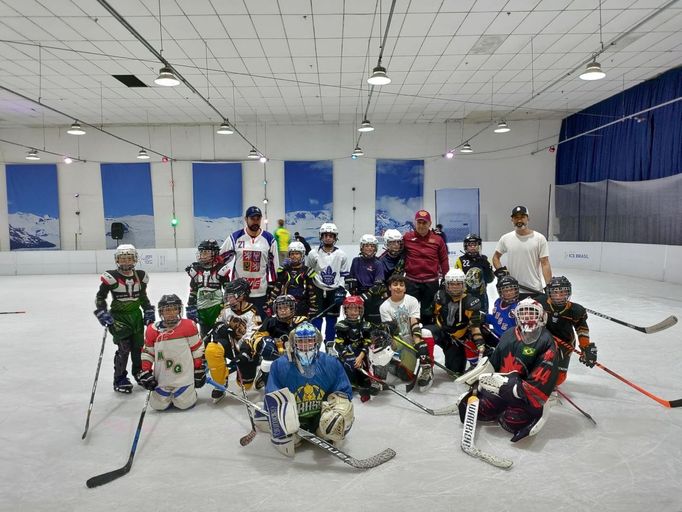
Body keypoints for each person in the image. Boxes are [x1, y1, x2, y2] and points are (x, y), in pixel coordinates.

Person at [457, 298, 568, 442]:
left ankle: (510, 409)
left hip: (523, 396)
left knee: (512, 421)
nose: (527, 317)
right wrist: (479, 379)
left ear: (542, 316)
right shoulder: (509, 333)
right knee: (482, 410)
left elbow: (543, 379)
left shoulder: (547, 342)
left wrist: (514, 387)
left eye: (532, 313)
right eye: (523, 313)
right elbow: (495, 361)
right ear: (516, 316)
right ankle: (498, 405)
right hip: (500, 389)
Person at [257, 322, 354, 456]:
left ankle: (323, 430)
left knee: (341, 410)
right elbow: (273, 398)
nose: (305, 345)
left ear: (317, 342)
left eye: (309, 340)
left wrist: (338, 412)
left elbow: (344, 393)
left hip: (320, 418)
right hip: (295, 420)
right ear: (293, 343)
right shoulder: (280, 365)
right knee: (289, 434)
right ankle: (270, 421)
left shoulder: (331, 363)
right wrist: (280, 418)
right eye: (301, 341)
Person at [94, 244, 155, 394]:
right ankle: (120, 378)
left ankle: (139, 372)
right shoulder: (112, 277)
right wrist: (102, 312)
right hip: (118, 318)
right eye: (122, 259)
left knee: (138, 347)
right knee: (124, 348)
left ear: (135, 259)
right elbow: (100, 297)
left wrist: (148, 309)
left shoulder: (140, 276)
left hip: (136, 316)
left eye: (129, 258)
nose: (126, 262)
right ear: (117, 260)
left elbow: (142, 296)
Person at [136, 294, 205, 411]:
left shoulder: (188, 325)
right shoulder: (151, 330)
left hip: (184, 377)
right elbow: (148, 353)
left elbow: (197, 349)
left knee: (184, 404)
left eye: (174, 309)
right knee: (158, 405)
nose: (171, 312)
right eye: (167, 309)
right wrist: (146, 372)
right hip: (162, 379)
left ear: (179, 310)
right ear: (161, 312)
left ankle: (189, 391)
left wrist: (198, 369)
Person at [205, 278, 261, 401]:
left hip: (247, 352)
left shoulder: (253, 312)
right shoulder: (226, 309)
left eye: (232, 296)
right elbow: (217, 323)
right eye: (228, 296)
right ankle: (220, 384)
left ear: (242, 296)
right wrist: (221, 328)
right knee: (212, 349)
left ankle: (261, 371)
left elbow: (254, 335)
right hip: (230, 345)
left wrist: (245, 352)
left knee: (245, 385)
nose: (229, 299)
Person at [219, 206, 279, 318]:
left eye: (258, 218)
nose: (255, 221)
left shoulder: (269, 239)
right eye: (252, 218)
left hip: (261, 292)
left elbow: (274, 265)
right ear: (246, 219)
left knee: (260, 326)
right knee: (239, 327)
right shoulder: (235, 237)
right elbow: (220, 258)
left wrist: (273, 286)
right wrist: (224, 277)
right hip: (239, 293)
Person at [425, 268, 484, 375]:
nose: (455, 287)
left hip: (456, 339)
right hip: (441, 331)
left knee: (455, 372)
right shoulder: (440, 296)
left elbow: (475, 327)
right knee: (425, 333)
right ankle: (426, 367)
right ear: (446, 285)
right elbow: (430, 315)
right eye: (452, 284)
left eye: (458, 284)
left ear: (464, 285)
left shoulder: (471, 302)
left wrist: (480, 343)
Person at [379, 274, 434, 390]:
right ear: (389, 287)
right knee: (380, 345)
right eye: (395, 285)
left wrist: (418, 343)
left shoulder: (412, 300)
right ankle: (384, 372)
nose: (398, 287)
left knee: (407, 376)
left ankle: (427, 369)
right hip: (398, 339)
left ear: (405, 288)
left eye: (401, 285)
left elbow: (414, 322)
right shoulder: (384, 307)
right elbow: (391, 331)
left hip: (411, 337)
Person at [536, 276, 598, 370]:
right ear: (549, 293)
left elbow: (582, 329)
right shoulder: (540, 302)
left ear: (568, 292)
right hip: (542, 340)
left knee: (558, 379)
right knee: (535, 370)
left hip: (565, 343)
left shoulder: (576, 310)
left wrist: (586, 347)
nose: (559, 296)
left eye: (562, 292)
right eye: (555, 292)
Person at [248, 295, 308, 390]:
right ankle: (265, 374)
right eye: (280, 308)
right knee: (267, 361)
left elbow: (314, 338)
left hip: (297, 356)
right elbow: (254, 337)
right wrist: (262, 343)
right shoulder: (270, 322)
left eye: (285, 307)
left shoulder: (301, 321)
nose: (283, 310)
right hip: (276, 357)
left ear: (292, 308)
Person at [492, 205, 552, 297]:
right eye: (516, 217)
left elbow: (545, 263)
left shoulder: (539, 238)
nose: (519, 220)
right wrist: (501, 272)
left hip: (534, 290)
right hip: (512, 290)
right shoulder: (505, 238)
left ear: (528, 218)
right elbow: (496, 257)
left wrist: (549, 286)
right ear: (512, 220)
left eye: (522, 217)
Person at [403, 210, 449, 324]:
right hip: (411, 282)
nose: (422, 225)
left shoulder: (438, 240)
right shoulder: (407, 238)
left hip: (431, 283)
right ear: (415, 223)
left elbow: (444, 260)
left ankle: (427, 335)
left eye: (425, 223)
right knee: (409, 312)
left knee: (428, 313)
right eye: (419, 222)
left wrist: (445, 278)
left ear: (430, 224)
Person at [305, 223, 349, 343]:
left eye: (331, 235)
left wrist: (341, 289)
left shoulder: (341, 255)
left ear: (335, 237)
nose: (328, 238)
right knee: (316, 318)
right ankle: (316, 343)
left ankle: (329, 343)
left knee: (332, 319)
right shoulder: (313, 254)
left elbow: (343, 275)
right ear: (321, 236)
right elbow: (308, 272)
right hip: (317, 289)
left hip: (333, 291)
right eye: (325, 235)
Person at [185, 239, 230, 341]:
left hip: (217, 308)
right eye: (201, 252)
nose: (202, 255)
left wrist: (226, 306)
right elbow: (193, 289)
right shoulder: (196, 269)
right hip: (202, 309)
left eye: (206, 252)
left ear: (214, 253)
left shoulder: (221, 269)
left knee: (220, 336)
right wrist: (191, 305)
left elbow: (227, 289)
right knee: (204, 336)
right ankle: (206, 355)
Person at [333, 296, 373, 402]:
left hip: (362, 354)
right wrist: (348, 355)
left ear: (360, 310)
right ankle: (348, 384)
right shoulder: (341, 325)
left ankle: (365, 384)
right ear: (345, 310)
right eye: (350, 308)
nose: (353, 312)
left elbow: (367, 342)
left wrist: (360, 356)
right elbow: (338, 344)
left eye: (356, 309)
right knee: (348, 365)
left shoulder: (365, 325)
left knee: (366, 369)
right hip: (348, 354)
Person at [266, 241, 318, 318]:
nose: (294, 256)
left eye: (297, 253)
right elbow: (277, 288)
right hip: (285, 305)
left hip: (302, 305)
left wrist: (313, 307)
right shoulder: (283, 270)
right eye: (292, 254)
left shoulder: (308, 271)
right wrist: (270, 302)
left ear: (302, 255)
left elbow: (312, 292)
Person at [346, 234, 385, 325]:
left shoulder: (378, 263)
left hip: (373, 297)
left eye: (372, 246)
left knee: (373, 324)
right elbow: (351, 278)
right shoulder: (356, 261)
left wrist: (366, 295)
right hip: (358, 295)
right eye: (366, 245)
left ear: (375, 248)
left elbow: (378, 284)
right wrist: (350, 286)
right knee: (356, 323)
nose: (369, 248)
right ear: (361, 247)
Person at [455, 233, 494, 314]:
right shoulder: (460, 261)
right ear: (466, 246)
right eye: (470, 245)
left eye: (475, 244)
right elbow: (456, 280)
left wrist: (487, 267)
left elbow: (490, 280)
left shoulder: (484, 259)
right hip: (465, 295)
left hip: (481, 295)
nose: (473, 247)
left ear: (479, 246)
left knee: (482, 317)